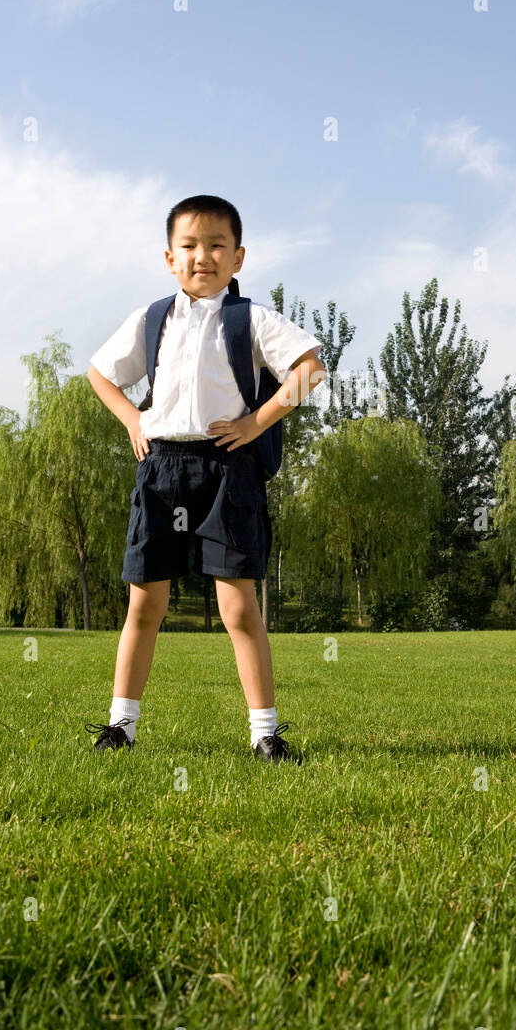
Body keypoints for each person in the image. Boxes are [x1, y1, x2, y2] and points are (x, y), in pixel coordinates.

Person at [84, 194, 326, 761]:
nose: (203, 256)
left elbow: (311, 367)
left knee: (239, 608)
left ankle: (265, 734)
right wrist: (131, 420)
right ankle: (121, 727)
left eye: (217, 245)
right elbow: (100, 373)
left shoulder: (252, 320)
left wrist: (255, 422)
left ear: (238, 257)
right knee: (145, 605)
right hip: (161, 467)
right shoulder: (151, 320)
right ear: (169, 258)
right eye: (189, 246)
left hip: (228, 469)